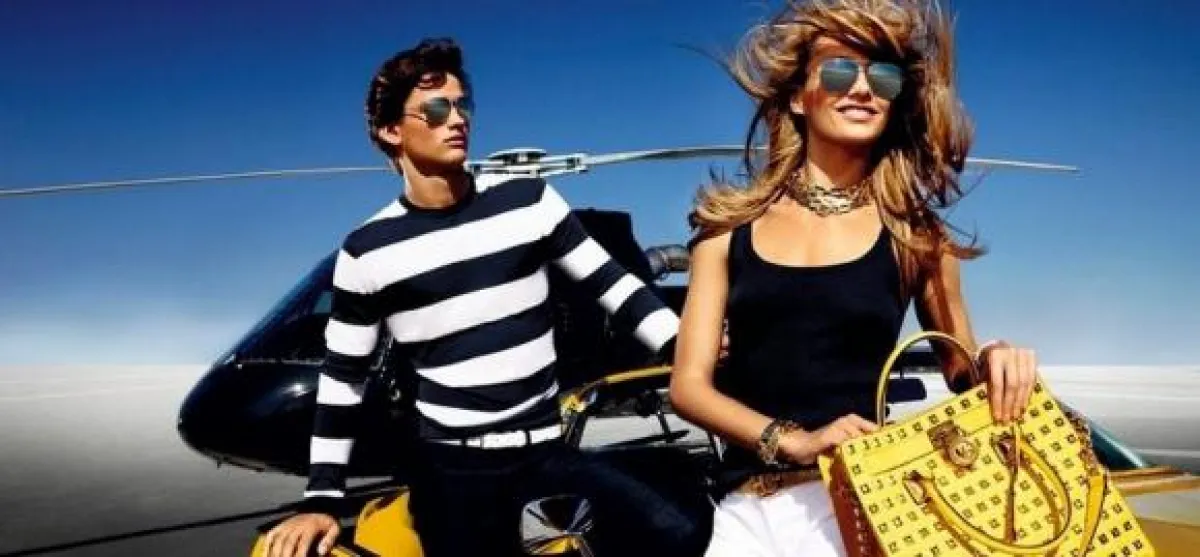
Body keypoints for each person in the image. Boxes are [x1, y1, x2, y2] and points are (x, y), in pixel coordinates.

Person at [262, 37, 705, 557]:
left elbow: (614, 285)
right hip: (453, 474)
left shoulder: (531, 202)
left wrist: (686, 349)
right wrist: (321, 497)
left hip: (546, 452)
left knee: (680, 530)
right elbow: (343, 380)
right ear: (391, 131)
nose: (457, 119)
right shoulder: (366, 251)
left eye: (462, 104)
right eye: (435, 109)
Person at [667, 1, 1040, 555]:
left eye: (883, 77)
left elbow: (962, 369)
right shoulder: (726, 233)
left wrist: (996, 359)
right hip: (743, 515)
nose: (863, 89)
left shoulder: (917, 237)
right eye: (840, 71)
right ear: (799, 97)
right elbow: (688, 388)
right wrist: (793, 440)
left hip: (855, 507)